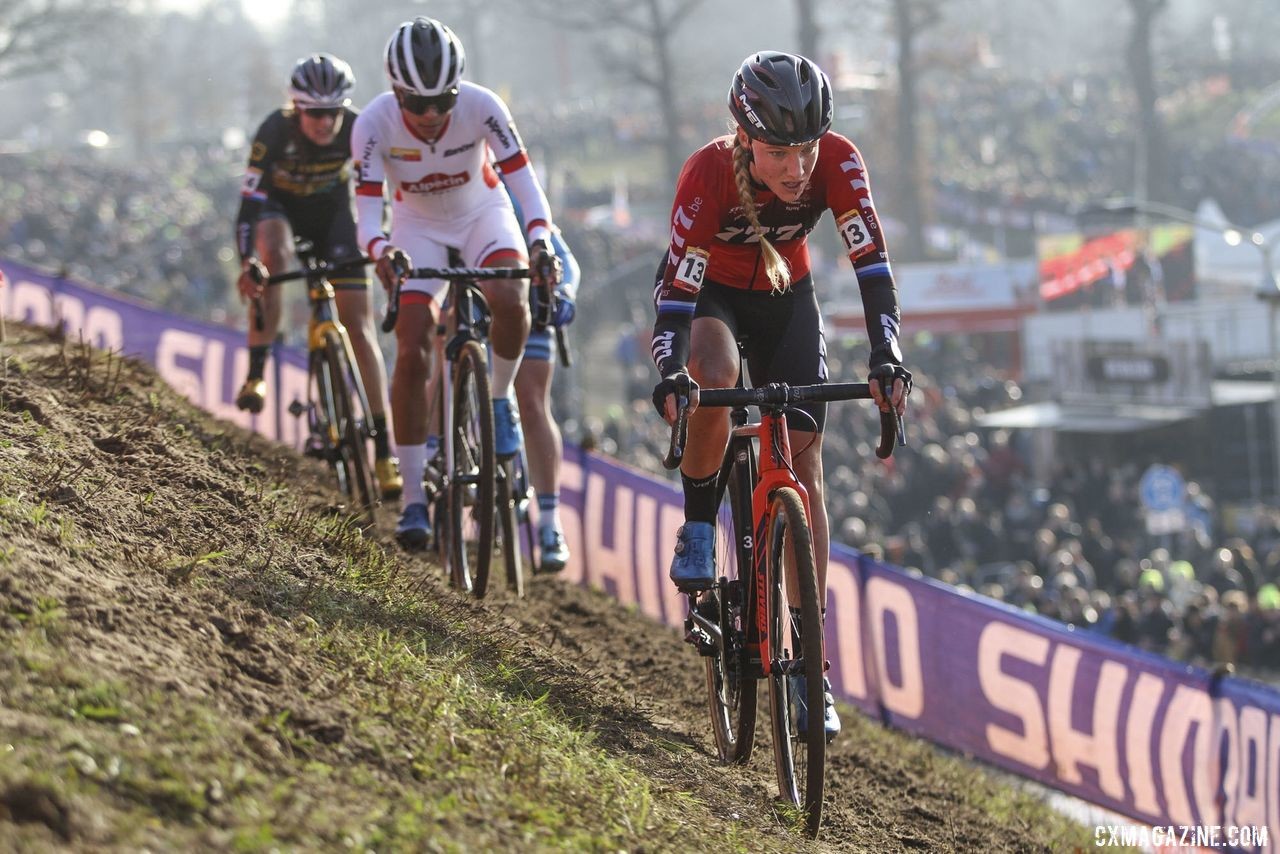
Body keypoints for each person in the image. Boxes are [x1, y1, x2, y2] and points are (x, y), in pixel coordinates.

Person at [650, 52, 911, 741]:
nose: (797, 168)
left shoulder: (840, 162)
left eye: (806, 149)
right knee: (712, 372)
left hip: (787, 298)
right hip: (709, 299)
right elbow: (676, 296)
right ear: (744, 140)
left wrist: (887, 356)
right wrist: (673, 371)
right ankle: (701, 523)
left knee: (805, 461)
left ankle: (810, 662)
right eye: (778, 153)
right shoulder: (708, 174)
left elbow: (873, 268)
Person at [353, 17, 560, 549]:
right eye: (414, 103)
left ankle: (497, 399)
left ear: (457, 91)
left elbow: (525, 185)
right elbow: (366, 215)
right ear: (394, 91)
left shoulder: (483, 106)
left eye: (440, 102)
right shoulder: (373, 124)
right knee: (412, 342)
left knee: (511, 299)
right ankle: (414, 499)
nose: (428, 115)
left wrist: (539, 241)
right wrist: (381, 251)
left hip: (481, 214)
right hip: (416, 228)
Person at [233, 53, 402, 500]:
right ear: (297, 108)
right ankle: (256, 373)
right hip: (279, 212)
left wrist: (383, 243)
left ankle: (385, 450)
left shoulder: (357, 127)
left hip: (334, 219)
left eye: (333, 112)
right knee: (276, 257)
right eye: (315, 113)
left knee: (360, 326)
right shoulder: (273, 131)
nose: (325, 123)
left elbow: (377, 192)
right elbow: (249, 203)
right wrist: (248, 261)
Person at [510, 198, 580, 572]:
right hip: (479, 304)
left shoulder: (518, 195)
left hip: (531, 306)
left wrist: (564, 294)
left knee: (533, 402)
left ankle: (550, 523)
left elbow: (566, 262)